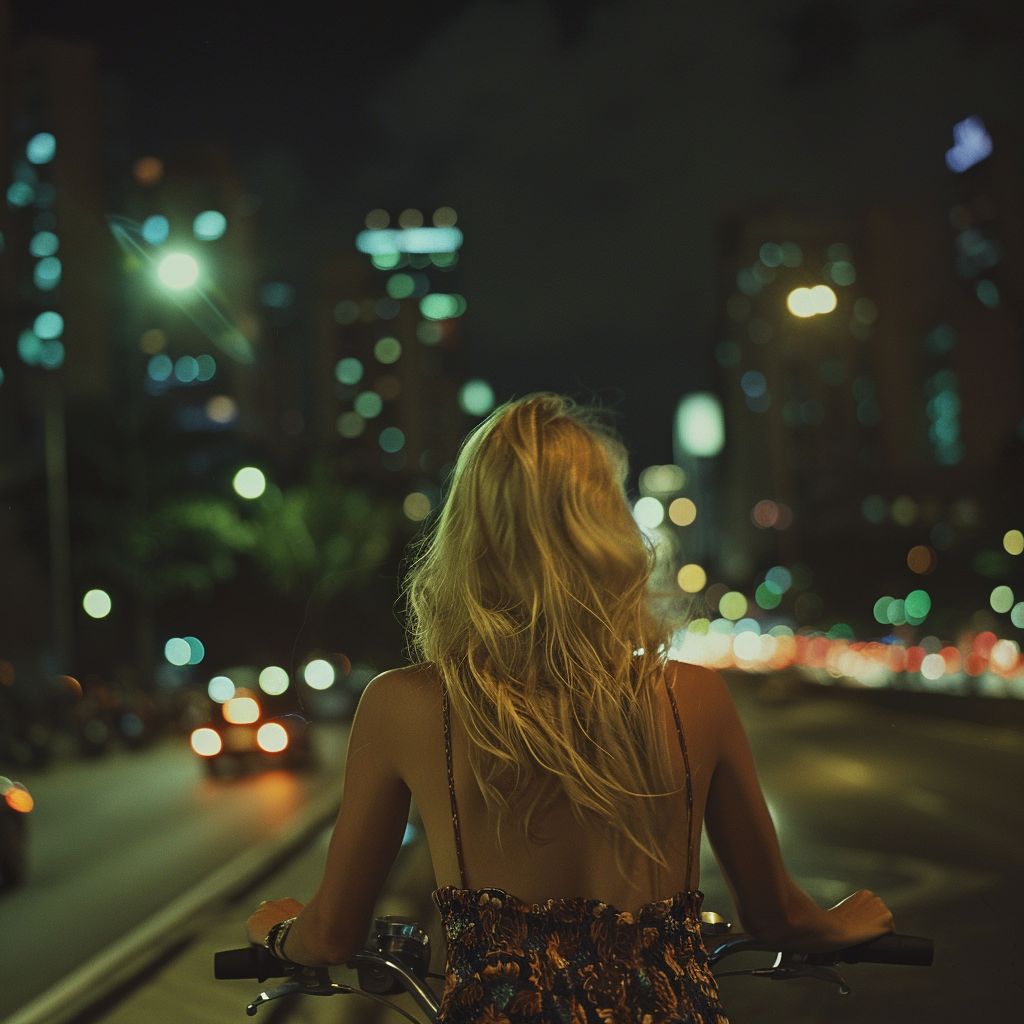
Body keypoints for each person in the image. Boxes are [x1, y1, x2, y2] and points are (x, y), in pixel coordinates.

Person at [247, 393, 895, 1023]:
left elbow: (331, 935)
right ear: (607, 532)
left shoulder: (405, 706)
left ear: (468, 536)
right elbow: (777, 914)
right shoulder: (694, 699)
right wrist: (837, 924)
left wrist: (281, 935)